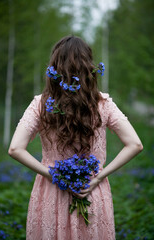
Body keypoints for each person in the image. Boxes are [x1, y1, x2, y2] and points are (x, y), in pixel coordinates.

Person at [8, 35, 143, 240]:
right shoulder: (103, 104)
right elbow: (135, 144)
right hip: (91, 190)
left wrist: (54, 175)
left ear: (55, 67)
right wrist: (98, 177)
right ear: (87, 67)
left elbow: (15, 149)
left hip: (51, 192)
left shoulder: (41, 104)